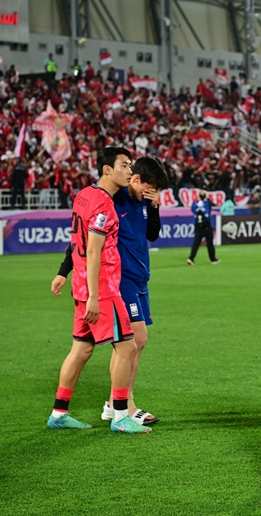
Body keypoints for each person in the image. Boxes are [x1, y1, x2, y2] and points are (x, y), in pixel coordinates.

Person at [52, 156, 169, 426]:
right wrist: (63, 269)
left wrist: (154, 207)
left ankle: (77, 410)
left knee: (89, 348)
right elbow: (85, 242)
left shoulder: (142, 202)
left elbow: (152, 235)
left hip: (140, 280)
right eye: (149, 187)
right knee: (133, 342)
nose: (150, 192)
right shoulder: (111, 201)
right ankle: (122, 407)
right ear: (135, 178)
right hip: (117, 281)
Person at [186, 190, 219, 265]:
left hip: (197, 225)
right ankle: (213, 259)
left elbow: (192, 209)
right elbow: (212, 205)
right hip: (206, 225)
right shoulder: (207, 203)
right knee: (210, 243)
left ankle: (191, 258)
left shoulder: (194, 203)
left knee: (196, 243)